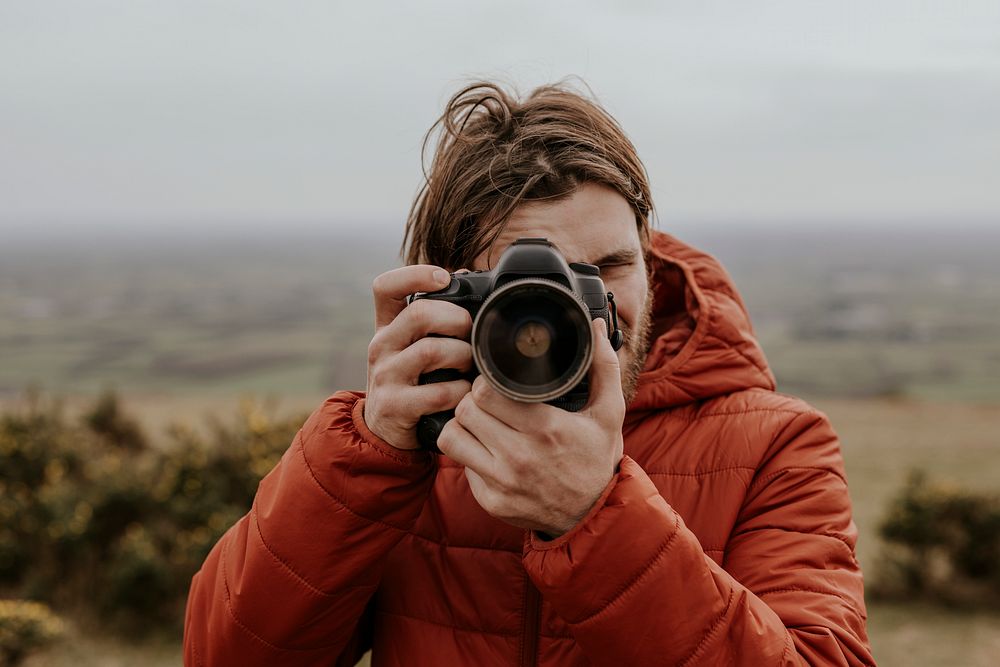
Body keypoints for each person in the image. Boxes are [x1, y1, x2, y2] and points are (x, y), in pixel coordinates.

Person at [183, 81, 875, 666]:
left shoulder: (776, 448)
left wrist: (596, 518)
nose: (589, 310)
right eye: (533, 284)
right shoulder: (411, 450)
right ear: (453, 293)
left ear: (651, 259)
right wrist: (368, 454)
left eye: (609, 267)